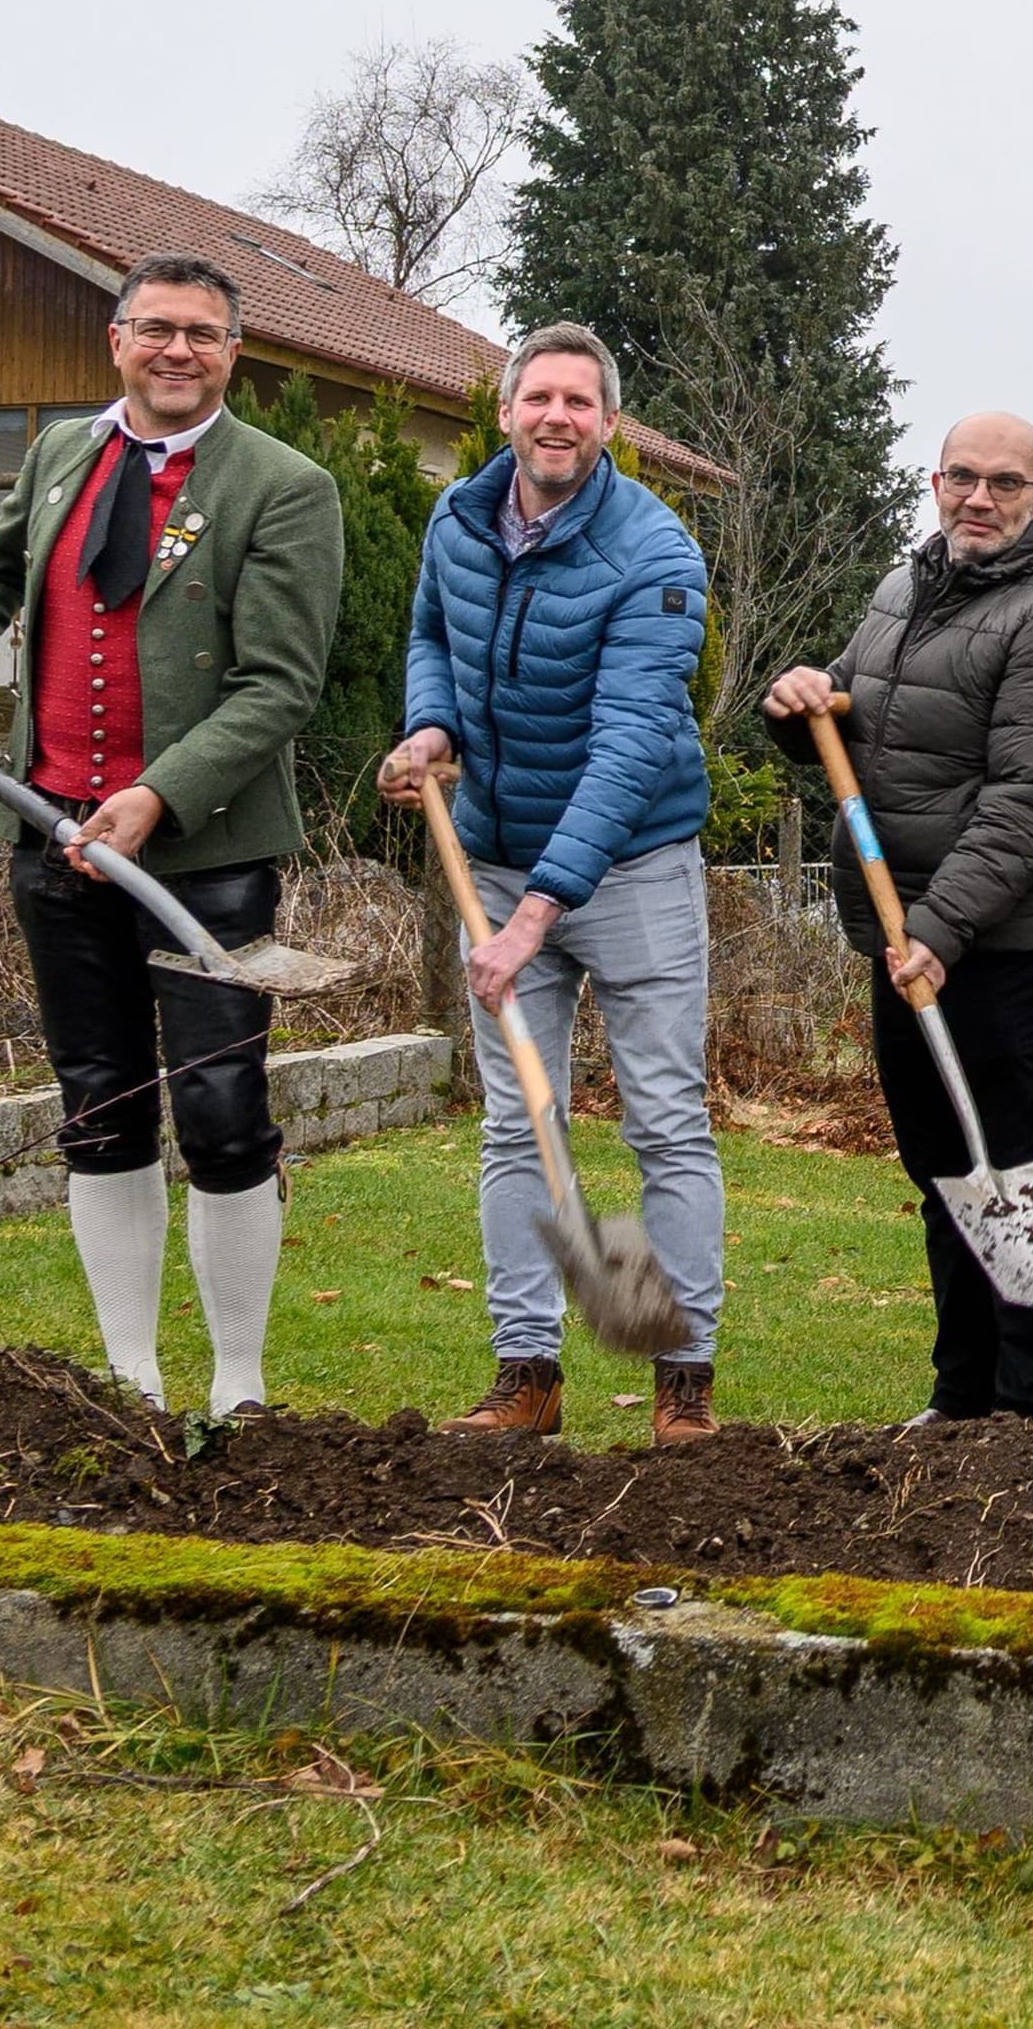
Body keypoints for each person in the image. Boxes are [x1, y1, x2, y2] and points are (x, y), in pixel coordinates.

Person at [0, 253, 343, 1415]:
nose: (177, 350)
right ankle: (129, 1378)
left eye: (202, 333)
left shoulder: (283, 486)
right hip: (52, 835)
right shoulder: (60, 454)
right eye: (157, 329)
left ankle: (238, 1384)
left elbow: (280, 684)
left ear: (233, 352)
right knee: (98, 1104)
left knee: (222, 1111)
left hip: (206, 855)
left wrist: (157, 796)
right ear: (118, 340)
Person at [379, 323, 723, 1444]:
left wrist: (535, 913)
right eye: (539, 398)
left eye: (580, 402)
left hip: (632, 869)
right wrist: (431, 727)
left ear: (609, 424)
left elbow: (629, 746)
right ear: (506, 412)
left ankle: (683, 1379)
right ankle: (526, 1374)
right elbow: (431, 636)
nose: (557, 417)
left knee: (665, 1120)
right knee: (518, 1125)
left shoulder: (656, 554)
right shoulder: (457, 517)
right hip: (492, 853)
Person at [766, 413, 1033, 1426]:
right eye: (962, 476)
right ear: (934, 483)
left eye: (1005, 483)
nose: (979, 497)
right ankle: (963, 1397)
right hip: (908, 934)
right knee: (944, 1167)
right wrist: (801, 702)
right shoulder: (905, 590)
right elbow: (856, 722)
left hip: (1011, 940)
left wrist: (942, 926)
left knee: (1014, 1167)